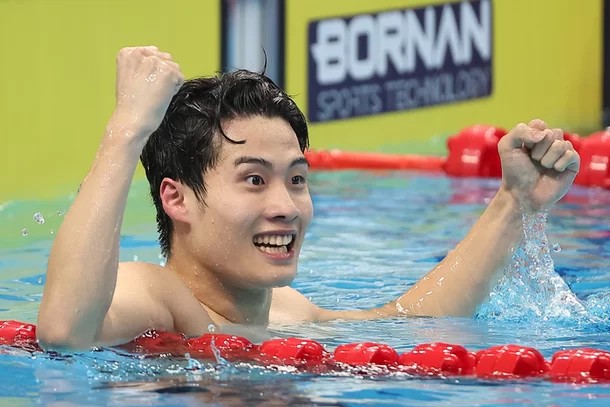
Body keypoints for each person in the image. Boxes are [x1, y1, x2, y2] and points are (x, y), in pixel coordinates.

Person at [36, 46, 580, 350]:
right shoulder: (159, 298)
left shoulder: (286, 312)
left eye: (296, 179)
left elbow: (411, 320)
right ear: (176, 200)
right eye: (255, 180)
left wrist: (515, 203)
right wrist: (127, 130)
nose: (287, 207)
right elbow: (64, 331)